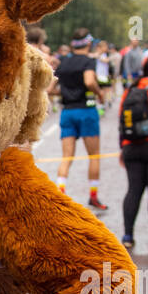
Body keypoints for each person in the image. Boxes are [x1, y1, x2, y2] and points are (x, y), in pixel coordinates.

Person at [51, 28, 108, 209]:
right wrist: (99, 93)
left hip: (67, 111)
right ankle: (93, 197)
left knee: (66, 157)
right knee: (94, 156)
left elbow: (51, 88)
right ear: (88, 43)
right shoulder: (88, 61)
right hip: (86, 111)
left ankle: (60, 194)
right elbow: (90, 81)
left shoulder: (63, 62)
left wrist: (66, 93)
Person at [119, 54, 148, 250]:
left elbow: (121, 120)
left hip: (131, 146)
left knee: (133, 190)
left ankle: (128, 235)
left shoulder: (131, 89)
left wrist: (122, 147)